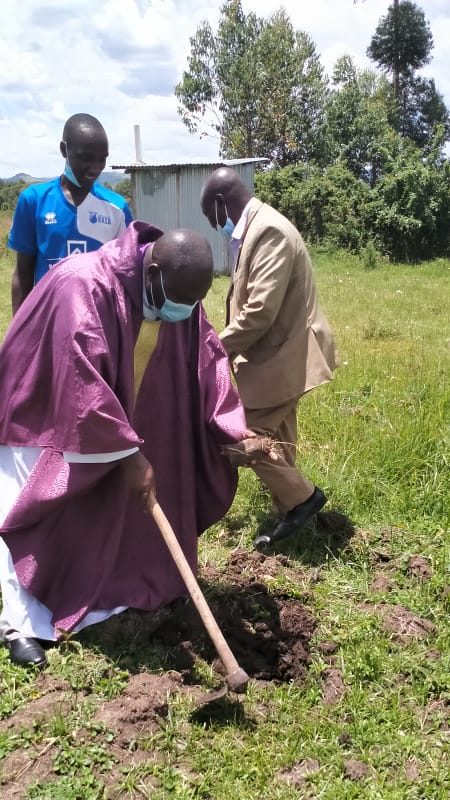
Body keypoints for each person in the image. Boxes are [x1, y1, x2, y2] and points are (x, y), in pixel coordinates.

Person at [0, 220, 248, 668]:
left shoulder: (176, 293)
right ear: (152, 273)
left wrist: (231, 430)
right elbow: (80, 384)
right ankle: (21, 623)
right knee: (33, 504)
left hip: (109, 418)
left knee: (96, 506)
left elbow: (207, 356)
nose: (182, 313)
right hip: (39, 412)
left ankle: (97, 589)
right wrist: (129, 455)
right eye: (177, 303)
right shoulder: (84, 285)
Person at [200, 167, 338, 550]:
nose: (215, 227)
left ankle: (304, 499)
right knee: (279, 434)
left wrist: (212, 350)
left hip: (285, 354)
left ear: (219, 203)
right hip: (277, 355)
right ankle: (292, 513)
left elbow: (260, 311)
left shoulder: (269, 231)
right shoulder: (256, 230)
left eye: (211, 218)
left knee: (239, 436)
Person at [8, 113, 133, 314]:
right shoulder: (33, 200)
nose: (95, 168)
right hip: (48, 321)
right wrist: (19, 334)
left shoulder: (117, 208)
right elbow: (23, 274)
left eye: (102, 159)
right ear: (64, 150)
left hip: (98, 326)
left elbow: (127, 277)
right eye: (86, 157)